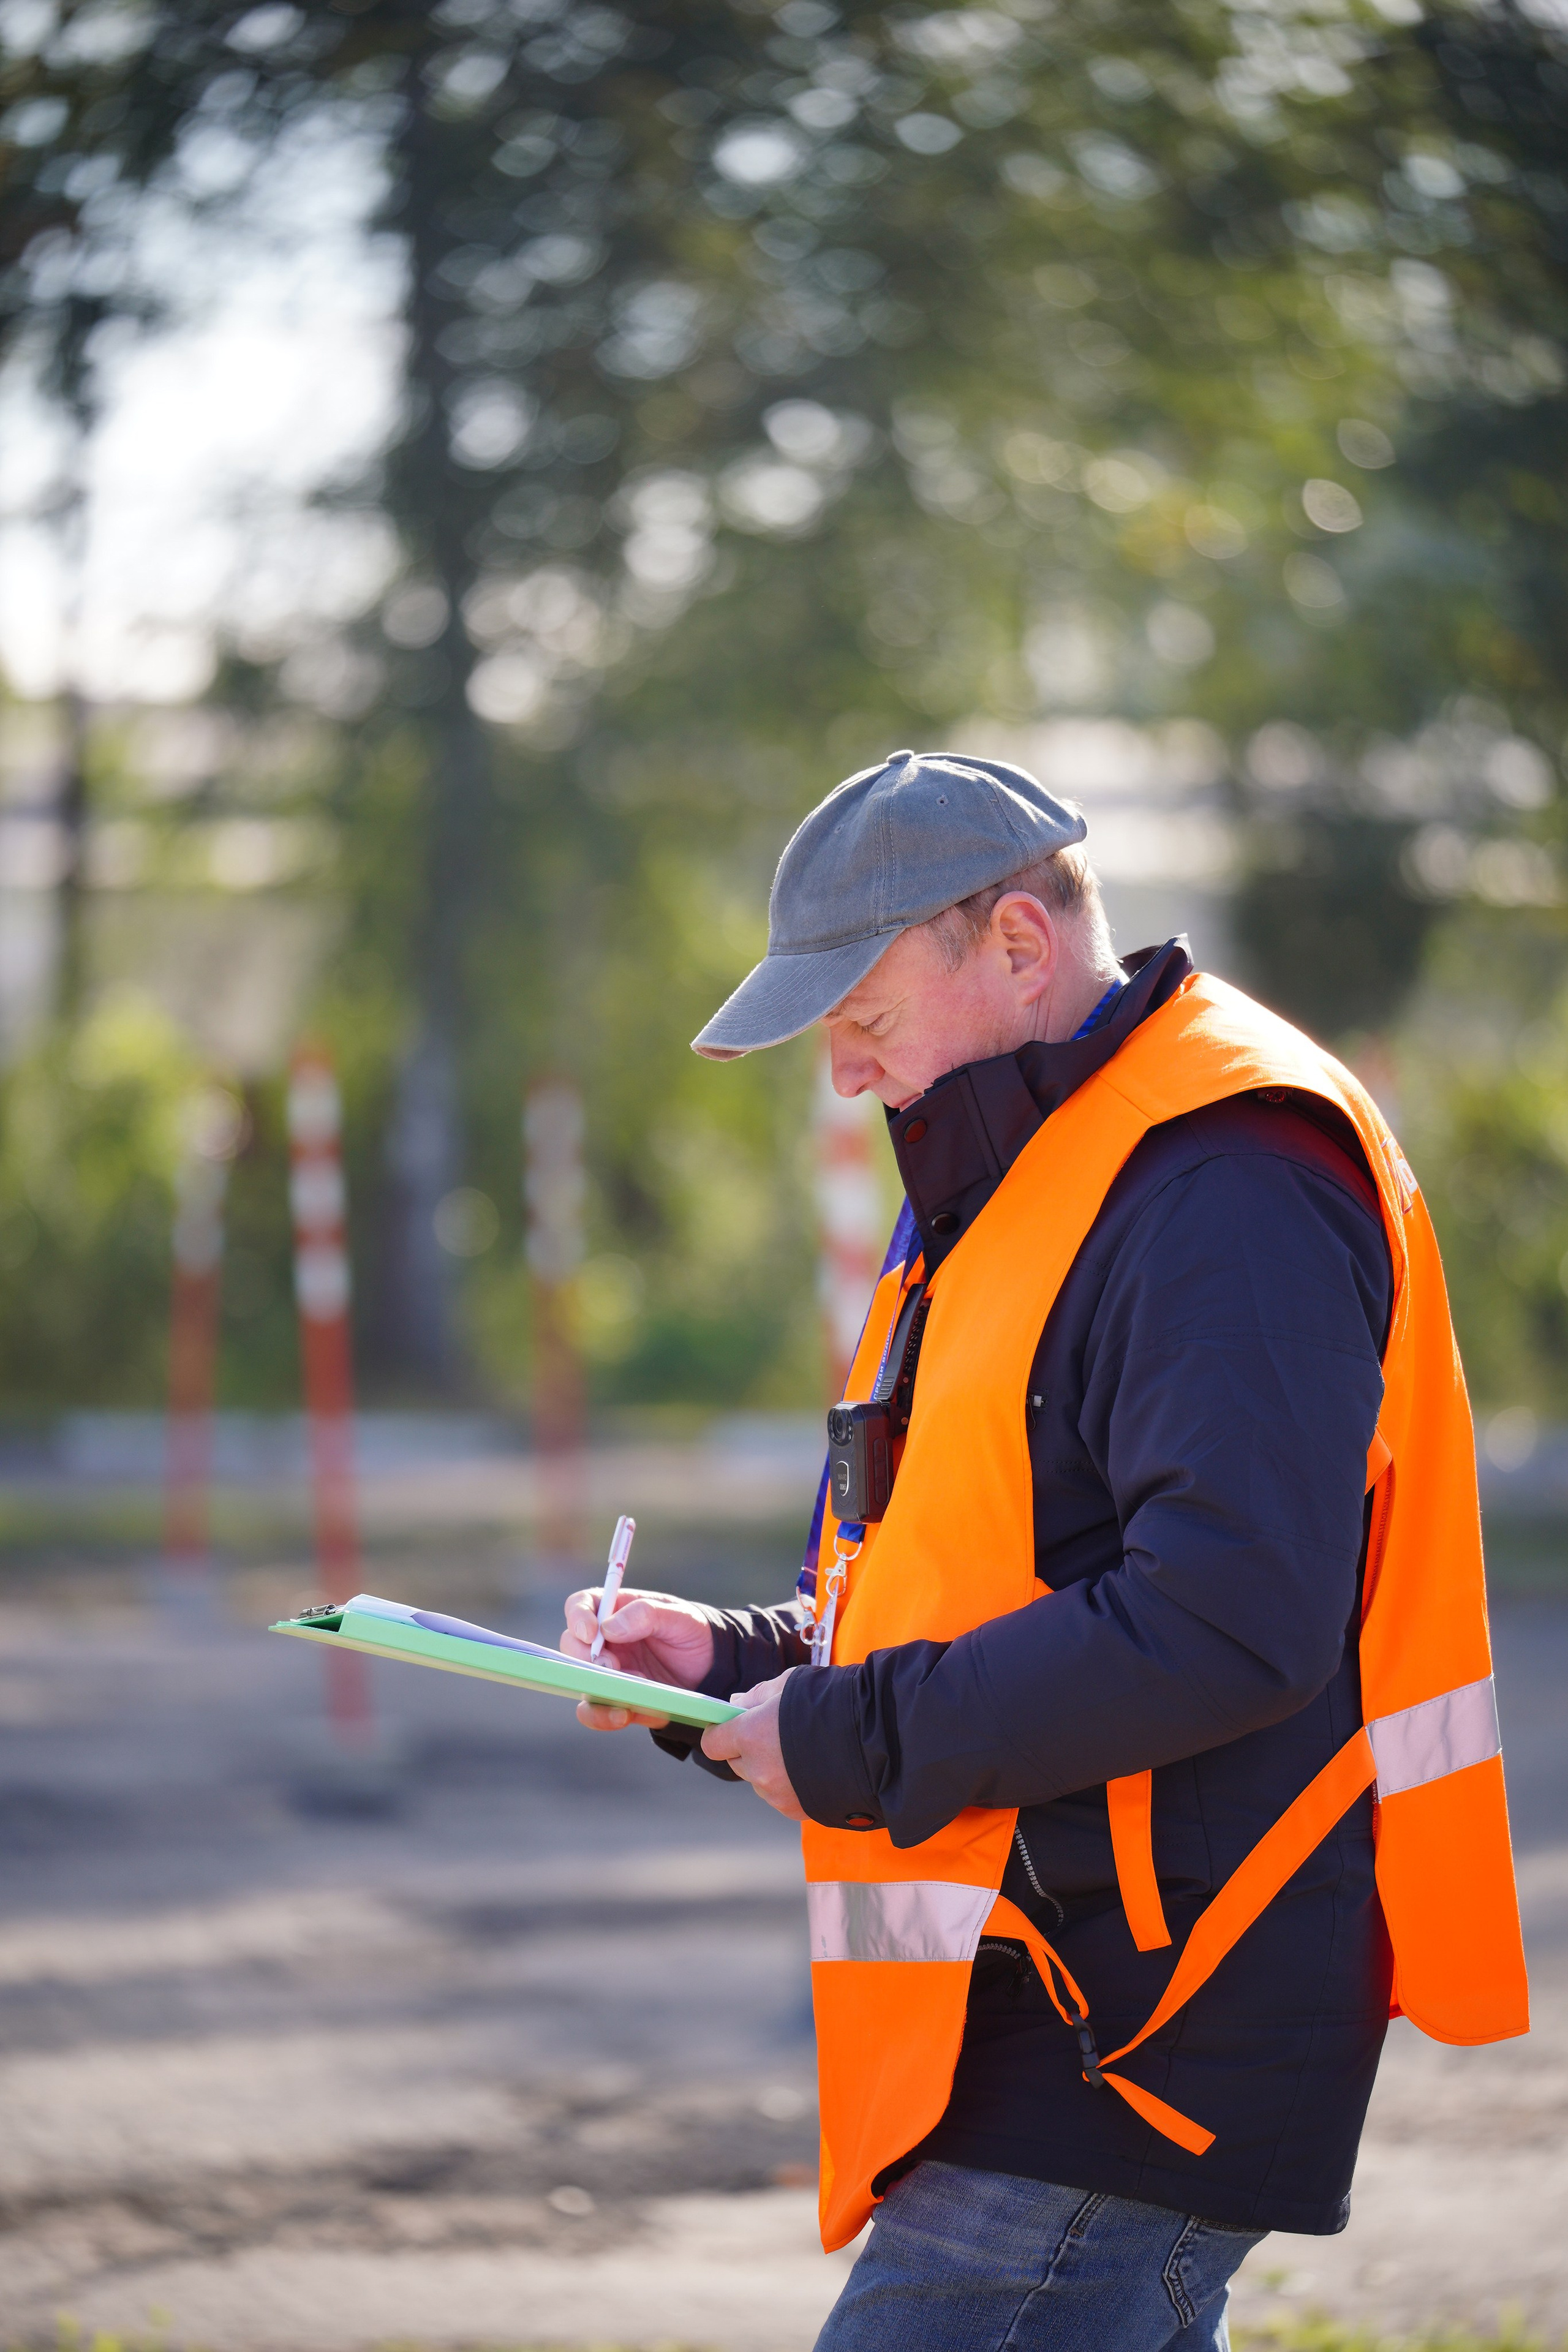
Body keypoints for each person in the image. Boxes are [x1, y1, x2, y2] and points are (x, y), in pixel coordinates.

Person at [559, 750, 1527, 2352]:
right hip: (1066, 1995)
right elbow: (983, 1582)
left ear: (1017, 945)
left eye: (862, 1023)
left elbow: (1223, 1621)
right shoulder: (1038, 1168)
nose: (850, 1079)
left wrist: (853, 1736)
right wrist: (729, 1663)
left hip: (1151, 2023)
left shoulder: (1228, 1181)